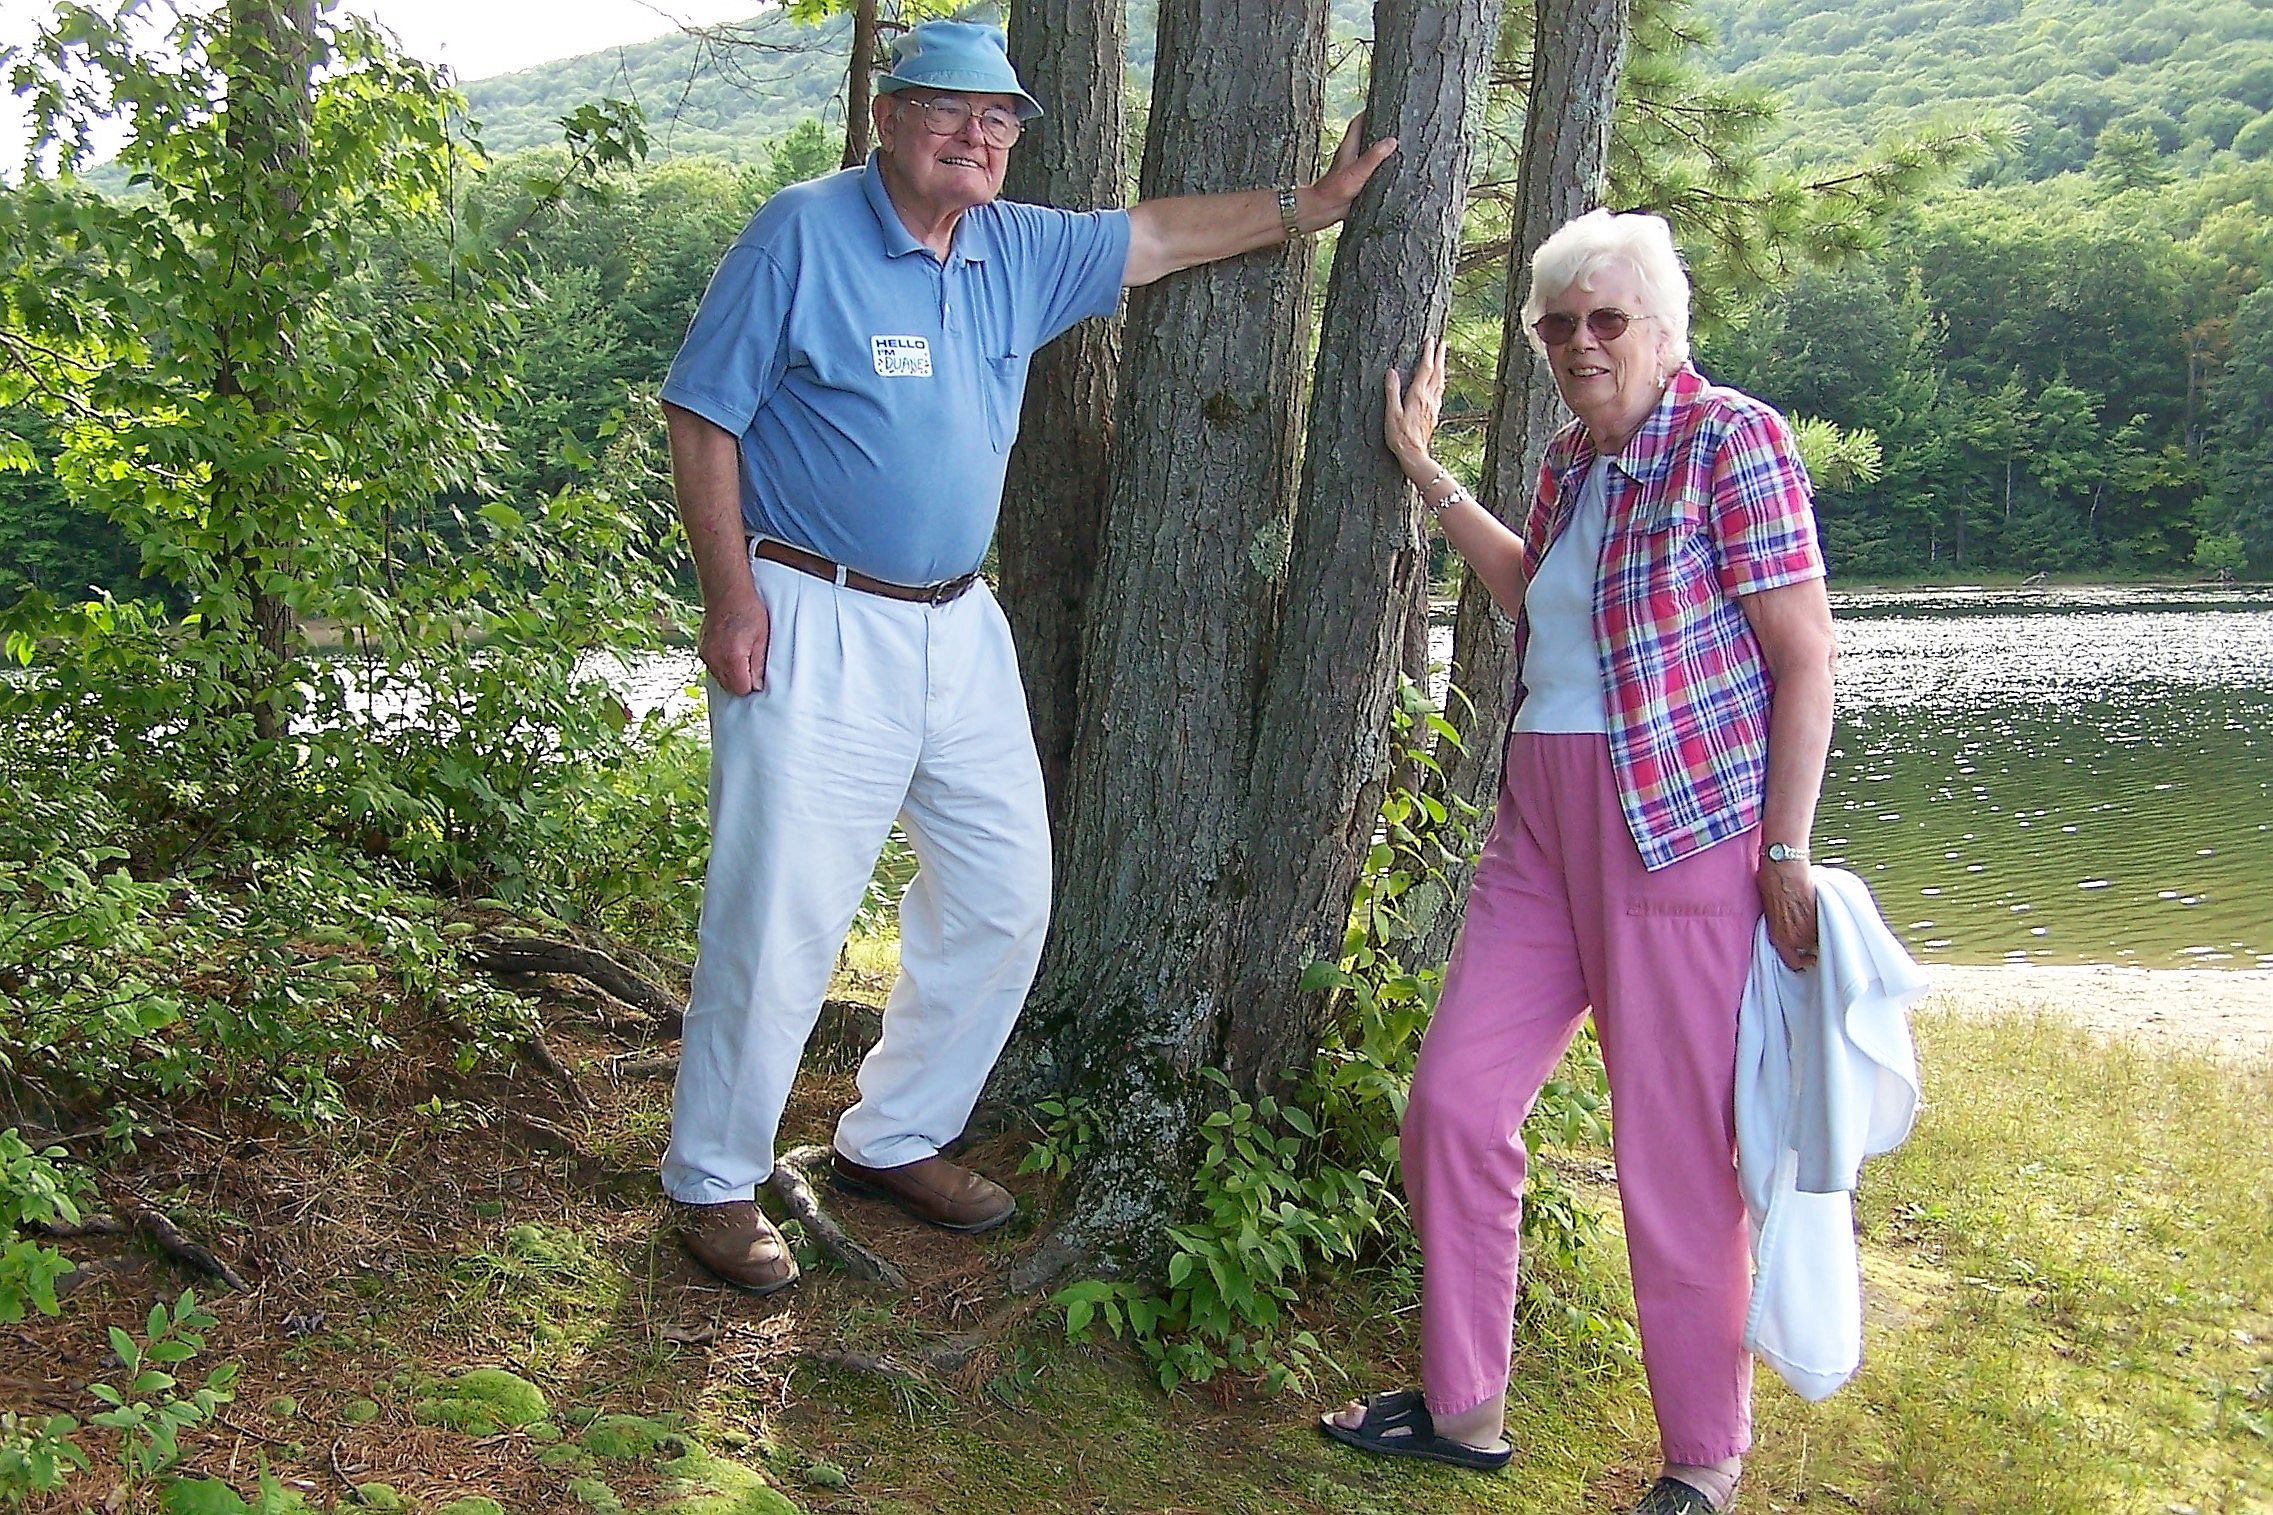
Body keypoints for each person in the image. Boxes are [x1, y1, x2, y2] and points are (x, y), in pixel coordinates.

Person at [657, 19, 1396, 1296]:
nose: (976, 135)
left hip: (958, 623)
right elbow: (700, 414)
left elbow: (1158, 236)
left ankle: (893, 1135)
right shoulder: (801, 234)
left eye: (998, 118)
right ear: (888, 117)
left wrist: (1310, 208)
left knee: (1004, 896)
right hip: (811, 610)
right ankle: (712, 1178)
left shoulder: (1016, 246)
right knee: (780, 911)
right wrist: (730, 599)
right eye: (948, 109)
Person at [1320, 208, 1836, 1515]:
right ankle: (1464, 1408)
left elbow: (1805, 657)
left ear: (1663, 328)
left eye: (1605, 319)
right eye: (1557, 324)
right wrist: (1425, 471)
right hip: (1538, 826)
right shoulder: (1569, 461)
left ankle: (1702, 1459)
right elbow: (1534, 595)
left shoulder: (1731, 440)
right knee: (1453, 1102)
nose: (1578, 343)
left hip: (1677, 830)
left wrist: (1784, 845)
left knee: (1672, 1157)